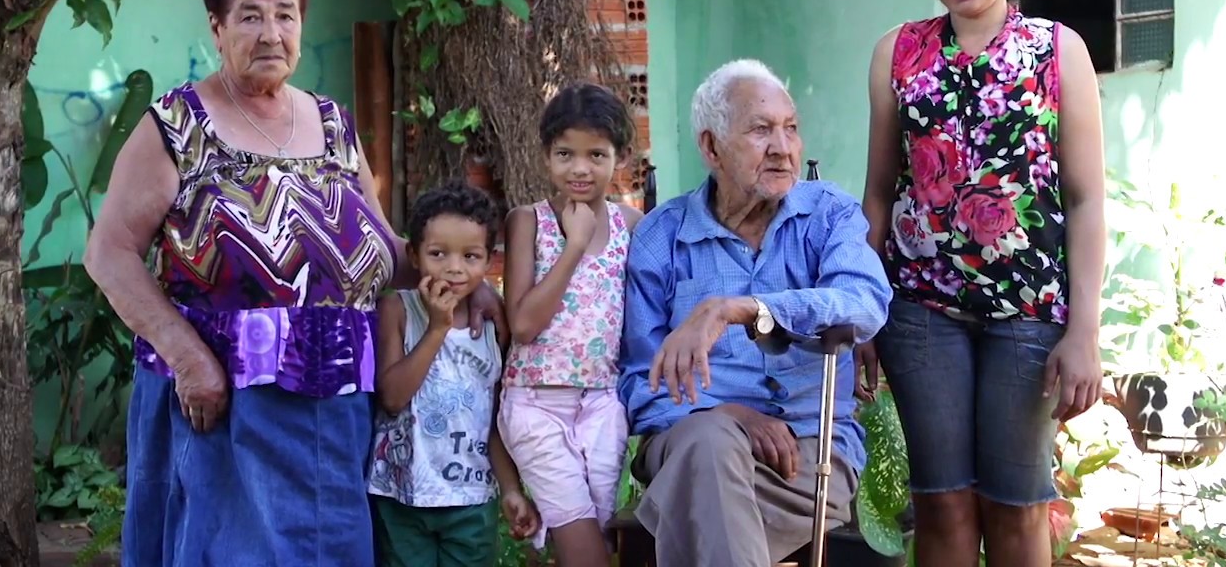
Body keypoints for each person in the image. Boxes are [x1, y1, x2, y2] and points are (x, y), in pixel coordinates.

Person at [84, 0, 503, 566]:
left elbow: (383, 247)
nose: (271, 33)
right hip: (227, 404)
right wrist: (189, 358)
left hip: (337, 405)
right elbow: (110, 253)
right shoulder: (176, 125)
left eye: (286, 15)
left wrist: (468, 282)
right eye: (250, 16)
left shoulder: (333, 125)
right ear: (217, 28)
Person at [859, 0, 1105, 567]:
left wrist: (1084, 331)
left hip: (1029, 312)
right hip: (919, 310)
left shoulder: (1058, 51)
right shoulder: (897, 53)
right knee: (940, 502)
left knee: (1019, 505)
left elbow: (1085, 199)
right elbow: (878, 192)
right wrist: (861, 309)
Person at [618, 59, 893, 567]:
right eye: (761, 130)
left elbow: (864, 300)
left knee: (697, 503)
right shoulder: (663, 239)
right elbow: (641, 382)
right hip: (687, 440)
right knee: (710, 445)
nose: (783, 148)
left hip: (808, 458)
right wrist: (731, 417)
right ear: (711, 147)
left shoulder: (828, 214)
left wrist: (746, 309)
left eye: (791, 128)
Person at [498, 83, 643, 567]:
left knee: (598, 542)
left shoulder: (631, 226)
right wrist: (575, 245)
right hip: (537, 403)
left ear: (620, 157)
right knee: (585, 550)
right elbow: (523, 325)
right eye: (565, 154)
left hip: (602, 403)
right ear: (546, 156)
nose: (580, 168)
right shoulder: (528, 222)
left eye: (595, 155)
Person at [368, 181, 539, 567]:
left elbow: (492, 421)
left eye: (471, 256)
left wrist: (511, 489)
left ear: (489, 259)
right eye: (438, 253)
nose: (454, 268)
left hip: (470, 500)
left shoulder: (494, 324)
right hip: (402, 497)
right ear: (414, 255)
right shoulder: (398, 310)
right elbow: (392, 397)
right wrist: (437, 329)